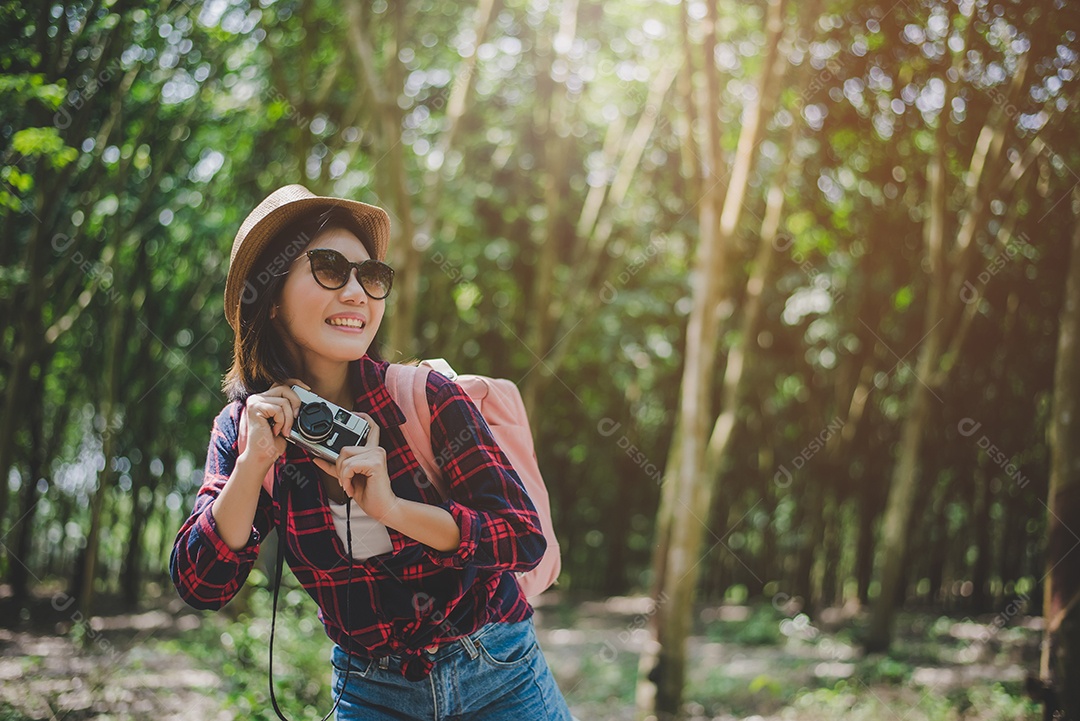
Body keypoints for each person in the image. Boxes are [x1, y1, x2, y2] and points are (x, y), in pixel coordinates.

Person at [170, 185, 574, 720]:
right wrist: (253, 466)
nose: (358, 293)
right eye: (330, 269)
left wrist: (396, 511)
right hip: (370, 692)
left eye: (372, 276)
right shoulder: (246, 429)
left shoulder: (426, 397)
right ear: (267, 297)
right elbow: (201, 583)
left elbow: (522, 539)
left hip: (499, 672)